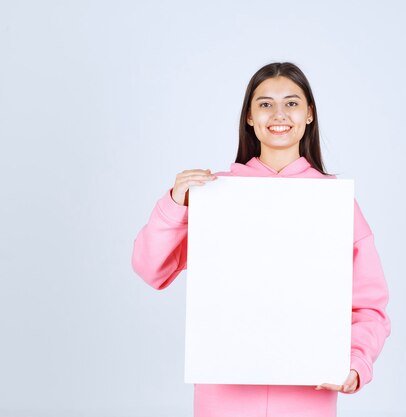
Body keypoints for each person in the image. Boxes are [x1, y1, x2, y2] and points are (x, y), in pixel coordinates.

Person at [131, 62, 391, 417]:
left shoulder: (335, 202)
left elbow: (370, 304)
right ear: (250, 117)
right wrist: (174, 204)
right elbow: (151, 270)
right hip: (224, 395)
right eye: (265, 104)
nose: (279, 114)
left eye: (292, 103)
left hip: (307, 393)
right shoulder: (214, 194)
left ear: (310, 114)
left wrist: (356, 362)